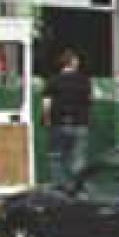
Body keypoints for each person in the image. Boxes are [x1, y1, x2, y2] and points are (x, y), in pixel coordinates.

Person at [42, 49, 92, 186]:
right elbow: (89, 100)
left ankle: (60, 188)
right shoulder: (84, 80)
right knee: (78, 159)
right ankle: (77, 188)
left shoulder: (53, 80)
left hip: (58, 124)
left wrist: (47, 120)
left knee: (56, 158)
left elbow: (46, 103)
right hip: (80, 124)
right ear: (73, 62)